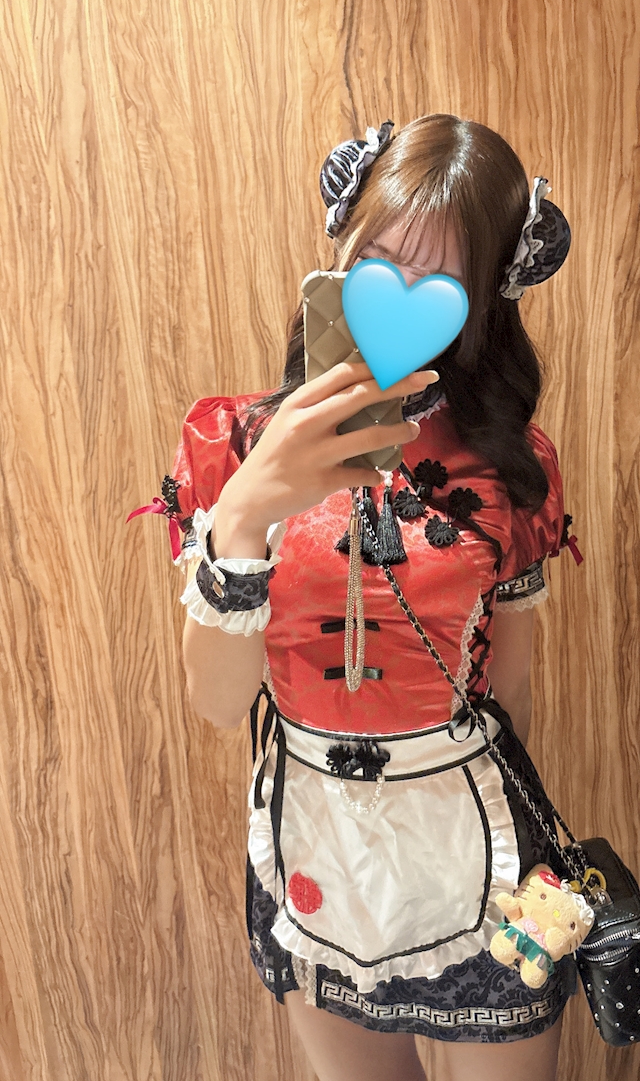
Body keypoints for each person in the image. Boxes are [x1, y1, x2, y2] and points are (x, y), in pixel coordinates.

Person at [150, 115, 583, 1081]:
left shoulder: (514, 464)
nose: (401, 292)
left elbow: (511, 693)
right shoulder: (234, 443)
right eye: (381, 260)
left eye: (442, 279)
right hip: (316, 840)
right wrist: (248, 508)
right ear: (342, 250)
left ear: (485, 300)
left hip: (474, 835)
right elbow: (217, 704)